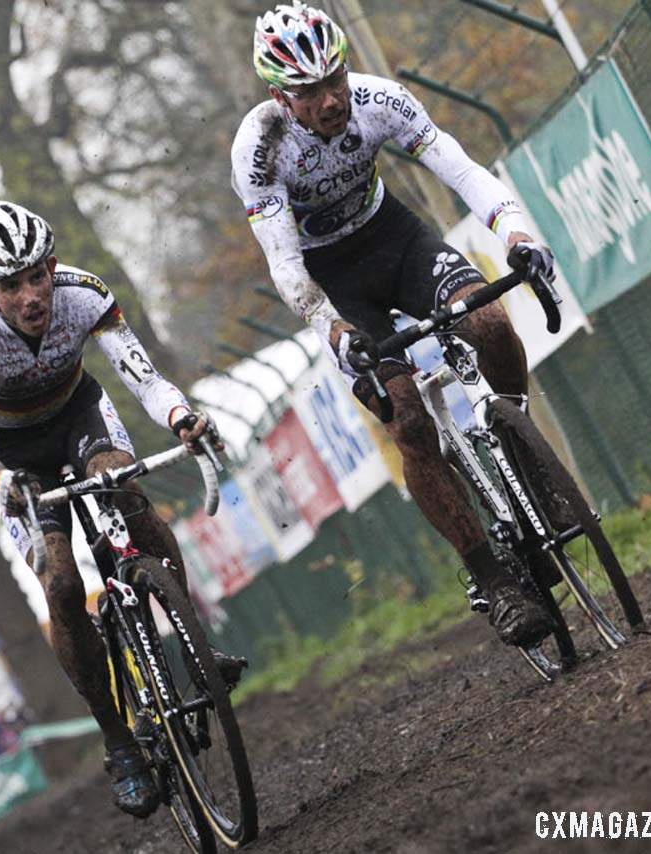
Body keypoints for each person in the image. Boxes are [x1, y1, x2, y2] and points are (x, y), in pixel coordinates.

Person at [233, 2, 558, 647]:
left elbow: (461, 170)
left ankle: (521, 451)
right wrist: (330, 326)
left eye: (335, 81)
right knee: (407, 417)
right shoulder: (260, 147)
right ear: (279, 95)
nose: (329, 101)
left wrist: (518, 233)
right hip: (334, 283)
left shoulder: (381, 100)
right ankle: (490, 578)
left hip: (396, 241)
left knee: (489, 322)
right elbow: (284, 262)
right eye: (308, 92)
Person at [0, 200, 243, 819]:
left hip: (81, 417)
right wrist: (1, 480)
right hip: (13, 454)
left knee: (126, 492)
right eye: (10, 285)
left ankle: (192, 645)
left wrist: (182, 417)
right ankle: (119, 742)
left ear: (51, 265)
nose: (30, 296)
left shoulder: (83, 293)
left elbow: (143, 377)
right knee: (59, 579)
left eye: (36, 276)